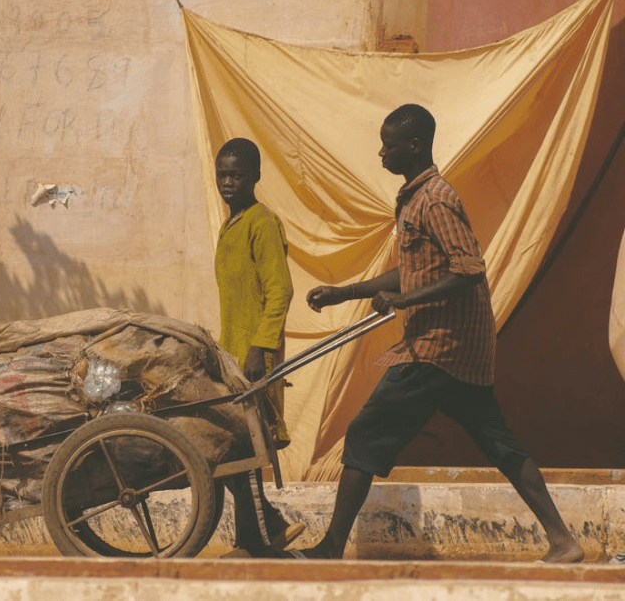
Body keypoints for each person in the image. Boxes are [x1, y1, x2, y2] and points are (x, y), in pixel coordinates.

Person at [296, 104, 584, 563]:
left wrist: (404, 300)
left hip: (438, 346)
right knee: (500, 444)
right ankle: (564, 541)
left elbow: (468, 269)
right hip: (459, 350)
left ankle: (331, 547)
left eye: (388, 146)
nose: (381, 153)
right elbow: (411, 269)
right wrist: (345, 292)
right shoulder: (415, 199)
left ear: (413, 146)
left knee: (364, 433)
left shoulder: (435, 199)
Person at [213, 137, 305, 557]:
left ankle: (257, 537)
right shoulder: (230, 225)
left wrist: (260, 347)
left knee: (240, 448)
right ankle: (262, 533)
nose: (227, 182)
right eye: (222, 175)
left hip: (254, 356)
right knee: (234, 449)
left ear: (255, 177)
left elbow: (280, 290)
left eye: (236, 175)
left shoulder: (262, 223)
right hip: (232, 354)